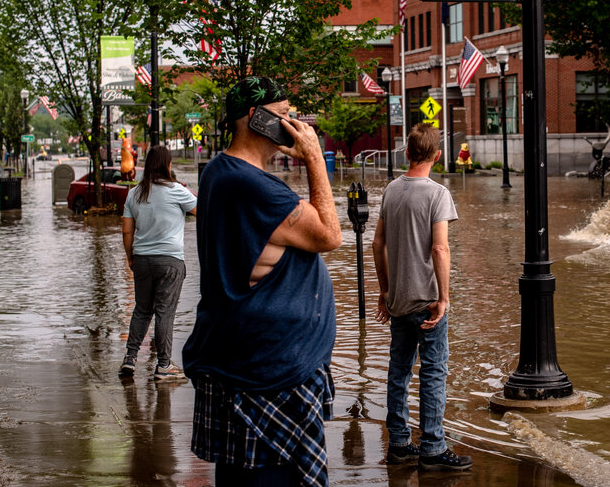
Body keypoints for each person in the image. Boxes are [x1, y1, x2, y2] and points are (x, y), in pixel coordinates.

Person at [183, 76, 342, 486]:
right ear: (256, 118)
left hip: (257, 364)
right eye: (285, 116)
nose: (294, 126)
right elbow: (330, 235)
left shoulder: (220, 170)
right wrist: (314, 159)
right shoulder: (251, 184)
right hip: (270, 375)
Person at [373, 123, 472, 471]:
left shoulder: (391, 190)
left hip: (399, 300)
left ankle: (399, 443)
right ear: (438, 155)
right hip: (428, 301)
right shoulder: (437, 194)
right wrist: (443, 298)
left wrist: (386, 291)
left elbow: (377, 244)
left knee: (398, 370)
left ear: (407, 153)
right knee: (433, 372)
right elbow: (440, 249)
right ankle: (432, 447)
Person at [118, 145, 197, 380]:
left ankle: (130, 358)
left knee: (142, 309)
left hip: (142, 259)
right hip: (170, 261)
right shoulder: (177, 191)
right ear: (167, 165)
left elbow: (126, 232)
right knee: (164, 312)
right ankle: (163, 365)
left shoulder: (134, 193)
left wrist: (130, 257)